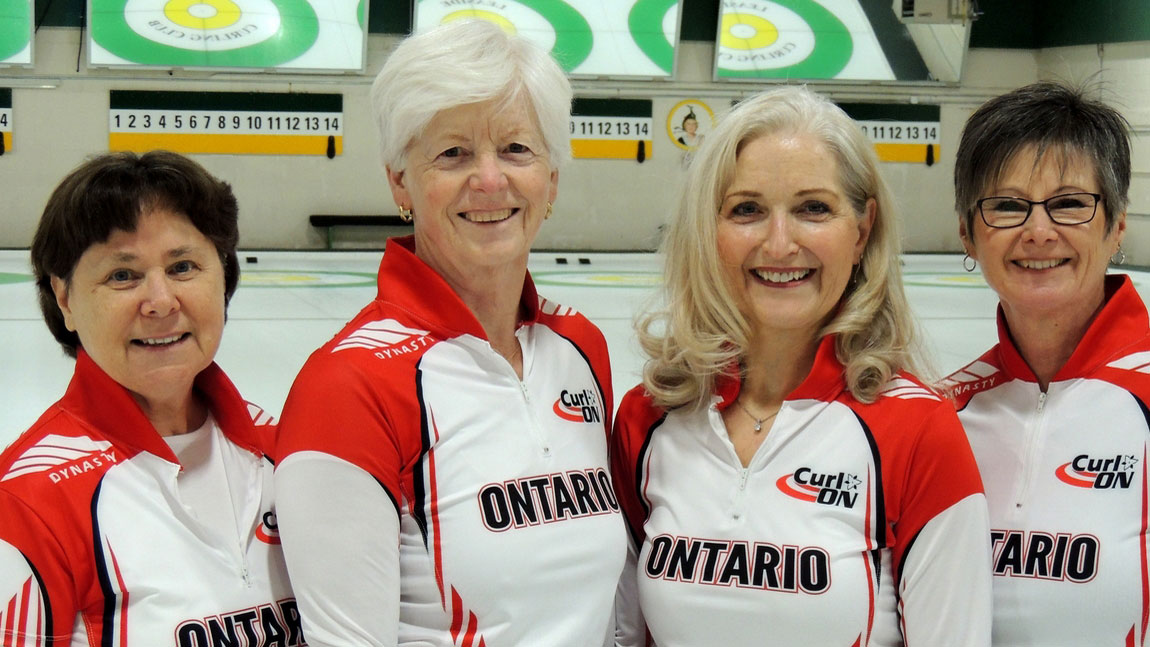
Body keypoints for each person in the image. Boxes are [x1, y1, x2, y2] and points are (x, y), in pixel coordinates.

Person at [274, 19, 626, 647]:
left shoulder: (578, 347)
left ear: (553, 178)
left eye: (517, 149)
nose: (490, 180)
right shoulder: (350, 386)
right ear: (399, 182)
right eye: (453, 153)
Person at [611, 86, 992, 646]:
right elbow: (623, 633)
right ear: (708, 231)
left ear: (861, 231)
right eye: (747, 210)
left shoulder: (916, 430)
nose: (780, 243)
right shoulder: (649, 418)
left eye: (813, 209)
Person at [0, 151, 299, 645]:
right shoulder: (29, 503)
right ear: (65, 299)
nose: (160, 300)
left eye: (183, 266)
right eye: (123, 275)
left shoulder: (286, 445)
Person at [945, 81, 1143, 645]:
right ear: (967, 232)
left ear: (1117, 225)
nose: (1038, 231)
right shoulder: (936, 415)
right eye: (1006, 205)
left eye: (1071, 204)